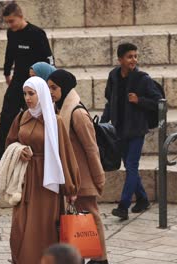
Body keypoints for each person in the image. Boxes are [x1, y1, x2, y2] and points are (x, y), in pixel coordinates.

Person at [6, 76, 80, 264]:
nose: (27, 98)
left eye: (31, 93)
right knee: (20, 227)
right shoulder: (22, 117)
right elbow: (10, 143)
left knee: (45, 226)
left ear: (42, 94)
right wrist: (18, 150)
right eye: (25, 94)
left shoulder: (55, 121)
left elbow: (65, 154)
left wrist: (71, 188)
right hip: (25, 178)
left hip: (48, 182)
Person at [48, 69, 108, 264]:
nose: (50, 92)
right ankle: (80, 256)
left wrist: (98, 177)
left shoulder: (77, 112)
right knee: (77, 218)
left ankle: (101, 258)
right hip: (72, 176)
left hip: (84, 177)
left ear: (64, 88)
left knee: (91, 215)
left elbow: (92, 148)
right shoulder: (61, 109)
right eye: (49, 87)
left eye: (54, 88)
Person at [101, 43, 162, 220]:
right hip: (118, 129)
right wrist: (104, 122)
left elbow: (159, 103)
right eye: (129, 57)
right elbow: (109, 100)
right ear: (120, 59)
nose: (133, 60)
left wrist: (139, 100)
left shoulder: (143, 79)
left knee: (132, 166)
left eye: (135, 56)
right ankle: (142, 199)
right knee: (128, 165)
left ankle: (123, 205)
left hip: (136, 130)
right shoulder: (113, 76)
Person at [0, 2, 54, 170]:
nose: (10, 25)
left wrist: (48, 82)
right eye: (7, 22)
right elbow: (9, 52)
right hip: (18, 80)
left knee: (32, 119)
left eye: (12, 21)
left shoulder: (37, 34)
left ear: (21, 16)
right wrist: (6, 72)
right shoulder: (11, 33)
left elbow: (49, 59)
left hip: (34, 83)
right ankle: (0, 156)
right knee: (6, 117)